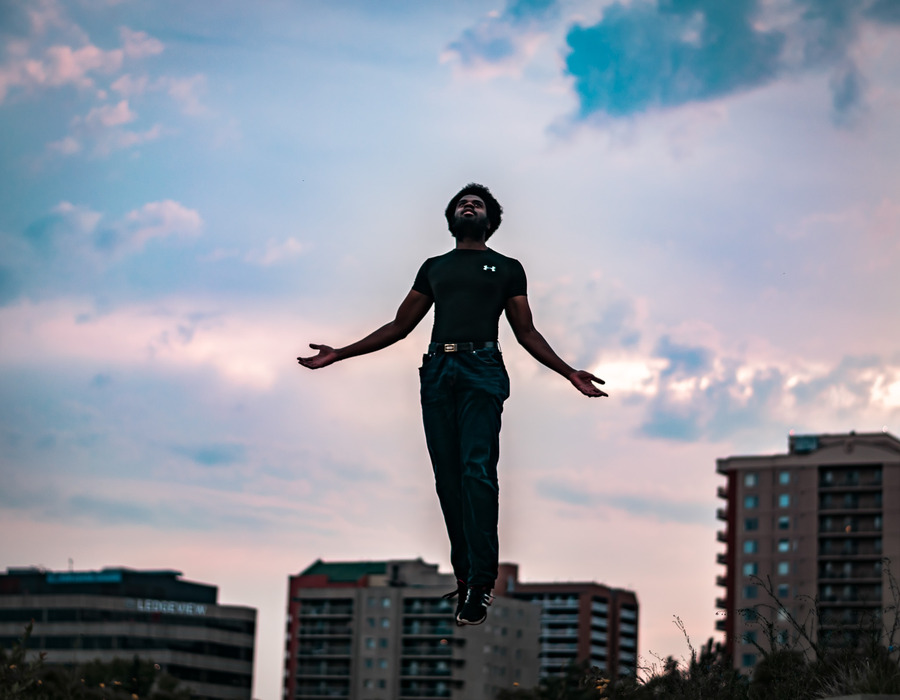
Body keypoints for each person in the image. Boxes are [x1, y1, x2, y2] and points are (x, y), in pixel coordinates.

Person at [298, 183, 607, 626]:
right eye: (463, 202)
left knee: (475, 471)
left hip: (481, 367)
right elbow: (400, 325)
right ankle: (467, 584)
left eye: (477, 204)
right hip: (437, 373)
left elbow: (526, 332)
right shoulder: (433, 268)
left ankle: (482, 584)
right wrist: (340, 353)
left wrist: (568, 371)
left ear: (489, 220)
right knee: (448, 481)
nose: (469, 205)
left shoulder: (507, 268)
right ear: (452, 217)